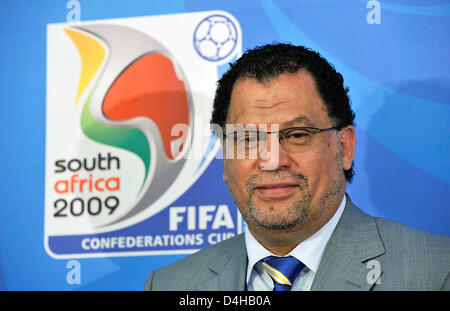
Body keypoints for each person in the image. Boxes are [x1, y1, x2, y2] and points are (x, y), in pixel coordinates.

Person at [144, 43, 450, 291]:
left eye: (297, 135)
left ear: (344, 147)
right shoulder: (169, 284)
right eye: (248, 138)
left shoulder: (436, 271)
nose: (272, 159)